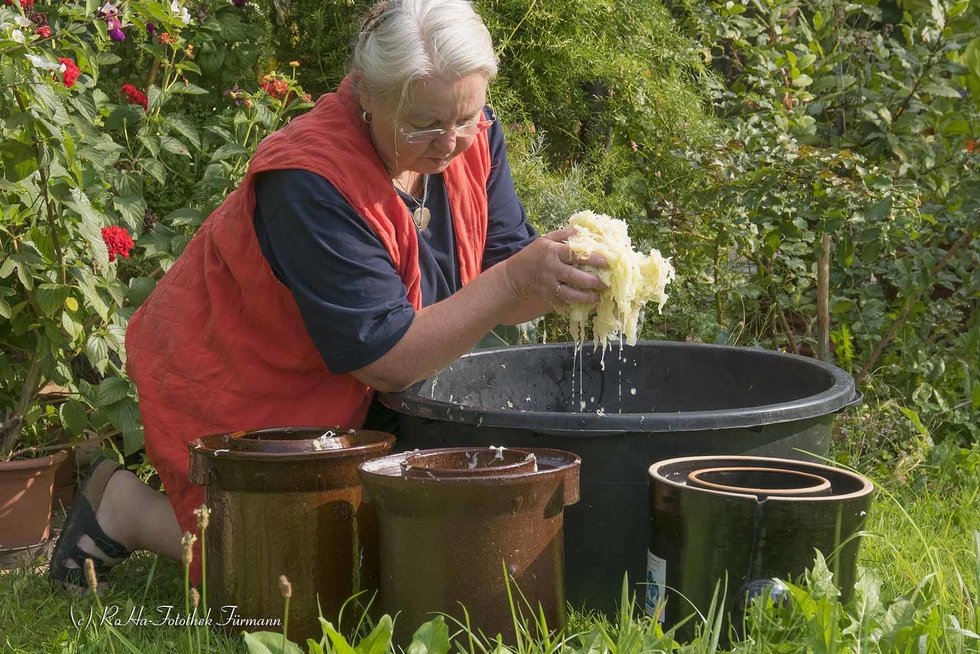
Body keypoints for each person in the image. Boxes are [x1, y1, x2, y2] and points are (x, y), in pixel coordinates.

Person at [49, 0, 606, 592]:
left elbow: (501, 281)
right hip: (241, 378)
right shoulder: (308, 180)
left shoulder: (472, 137)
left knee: (396, 551)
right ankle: (125, 509)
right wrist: (518, 278)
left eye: (466, 117)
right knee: (293, 578)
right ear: (366, 91)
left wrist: (556, 283)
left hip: (353, 386)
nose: (450, 143)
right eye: (424, 124)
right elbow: (388, 357)